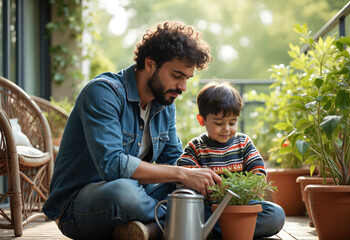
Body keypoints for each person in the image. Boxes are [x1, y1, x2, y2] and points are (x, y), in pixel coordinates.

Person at [42, 21, 222, 240]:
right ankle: (184, 223)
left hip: (140, 195)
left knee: (269, 214)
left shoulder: (165, 104)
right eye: (177, 76)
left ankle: (152, 229)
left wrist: (206, 180)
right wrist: (183, 176)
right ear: (149, 64)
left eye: (186, 78)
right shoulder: (103, 92)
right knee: (124, 193)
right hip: (81, 205)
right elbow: (112, 165)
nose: (183, 87)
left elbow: (176, 161)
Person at [176, 82, 285, 239]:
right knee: (187, 214)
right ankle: (234, 231)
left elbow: (258, 171)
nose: (226, 128)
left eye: (232, 122)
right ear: (202, 120)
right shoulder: (196, 147)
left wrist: (250, 188)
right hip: (211, 210)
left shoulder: (243, 143)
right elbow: (185, 175)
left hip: (243, 207)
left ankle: (215, 232)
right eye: (219, 123)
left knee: (276, 215)